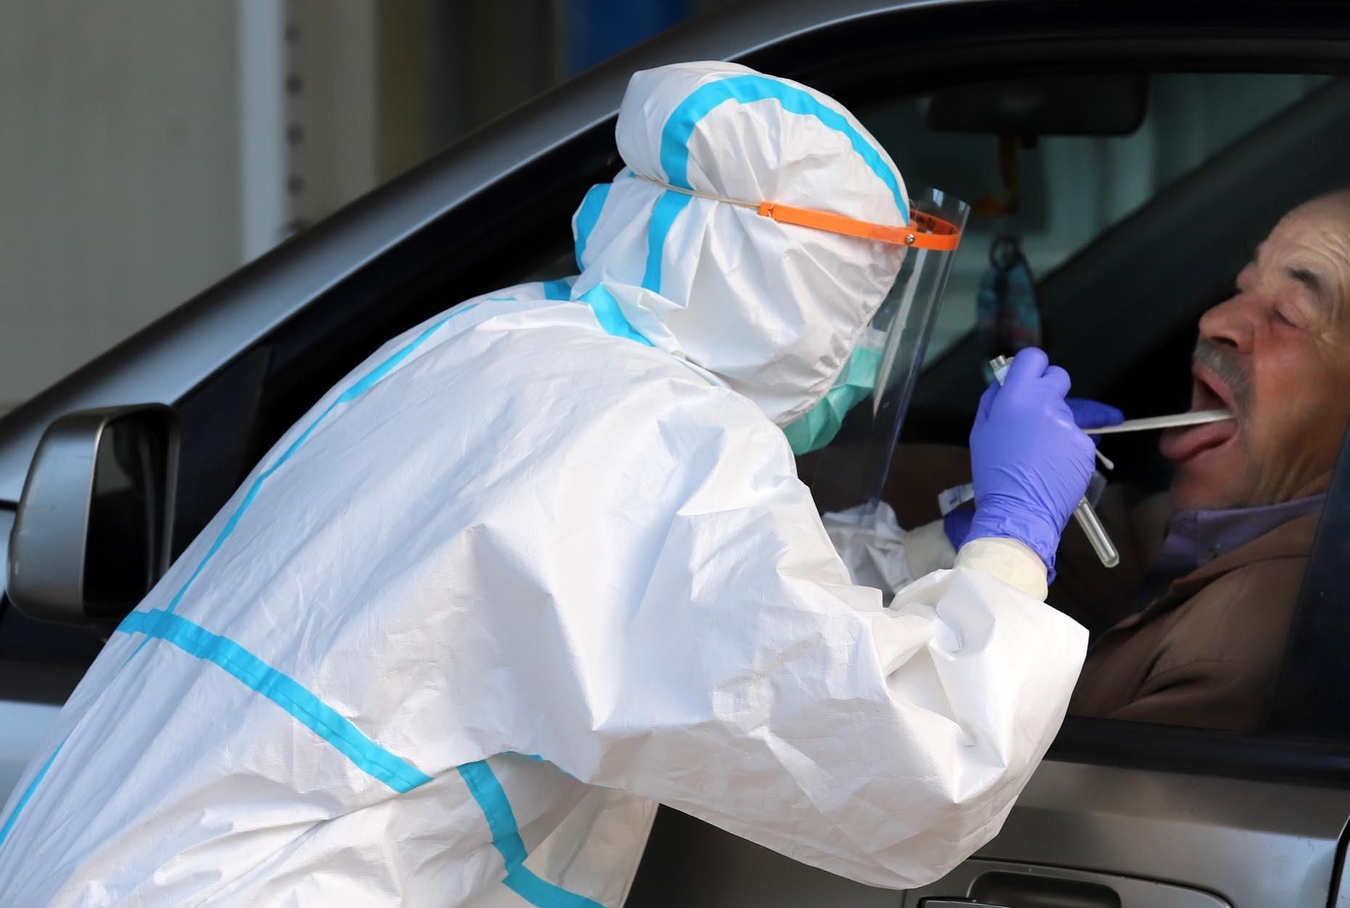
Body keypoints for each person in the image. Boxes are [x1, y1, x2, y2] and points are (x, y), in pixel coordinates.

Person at [0, 62, 1102, 906]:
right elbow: (913, 763)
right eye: (861, 312)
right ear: (792, 299)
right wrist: (1014, 536)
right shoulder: (655, 445)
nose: (862, 357)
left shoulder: (506, 345)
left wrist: (943, 549)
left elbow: (709, 603)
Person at [855, 187, 1350, 733]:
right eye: (1243, 286)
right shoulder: (1170, 538)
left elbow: (928, 765)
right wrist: (965, 532)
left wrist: (1010, 537)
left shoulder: (1245, 658)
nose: (1215, 319)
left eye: (1288, 314)